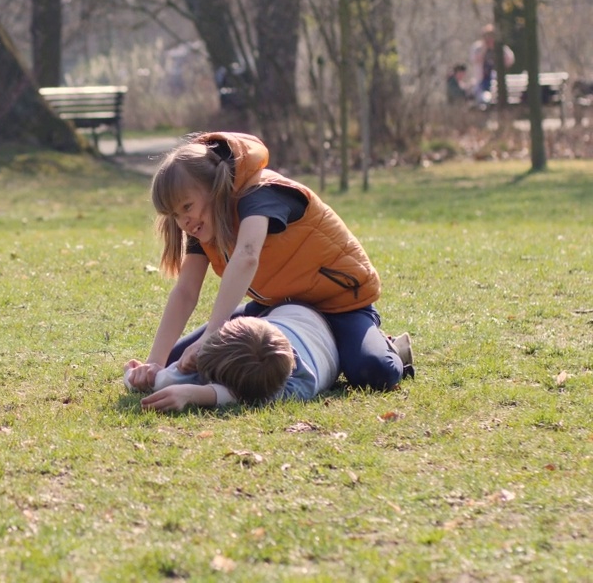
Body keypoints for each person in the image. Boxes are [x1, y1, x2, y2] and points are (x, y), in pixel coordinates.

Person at [123, 132, 413, 398]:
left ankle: (384, 345)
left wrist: (212, 337)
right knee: (178, 364)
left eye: (187, 206)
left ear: (214, 189)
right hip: (277, 310)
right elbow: (186, 291)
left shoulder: (262, 193)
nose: (184, 222)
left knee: (373, 372)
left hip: (338, 307)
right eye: (175, 214)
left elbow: (248, 253)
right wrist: (154, 363)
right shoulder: (201, 224)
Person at [128, 304, 410, 410]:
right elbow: (237, 388)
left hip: (329, 323)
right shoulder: (260, 343)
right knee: (181, 354)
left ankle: (386, 345)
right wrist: (149, 374)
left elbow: (251, 397)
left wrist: (189, 390)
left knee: (374, 368)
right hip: (282, 313)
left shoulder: (298, 385)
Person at [467, 24, 515, 106]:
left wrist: (498, 49)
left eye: (492, 36)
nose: (489, 39)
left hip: (496, 81)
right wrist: (485, 48)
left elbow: (510, 59)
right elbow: (474, 59)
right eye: (487, 36)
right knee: (484, 97)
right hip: (482, 81)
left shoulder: (500, 48)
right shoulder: (477, 47)